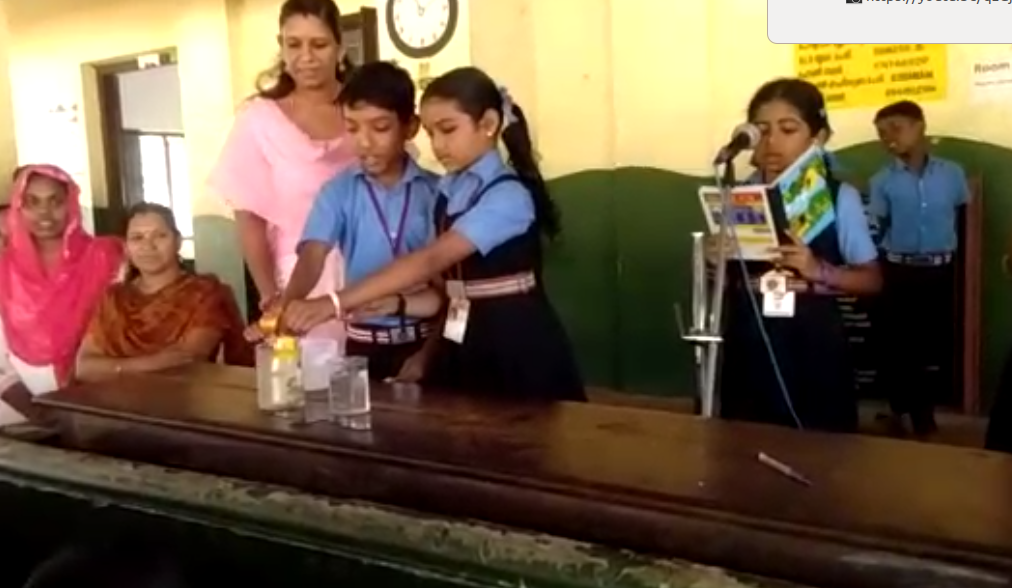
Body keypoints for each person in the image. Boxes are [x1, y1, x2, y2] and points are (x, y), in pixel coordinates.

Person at [281, 66, 585, 402]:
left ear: (488, 124)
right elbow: (450, 291)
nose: (438, 145)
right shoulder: (449, 190)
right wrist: (422, 342)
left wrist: (335, 302)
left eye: (448, 130)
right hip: (462, 337)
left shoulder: (507, 196)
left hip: (513, 340)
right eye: (431, 133)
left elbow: (431, 260)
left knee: (523, 427)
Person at [718, 78, 882, 433]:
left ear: (817, 136)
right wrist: (713, 260)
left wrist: (819, 270)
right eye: (761, 130)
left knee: (819, 447)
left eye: (788, 129)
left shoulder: (839, 197)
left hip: (813, 342)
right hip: (750, 338)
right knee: (743, 442)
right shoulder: (739, 194)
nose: (772, 141)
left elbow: (872, 280)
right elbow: (727, 280)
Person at [208, 0, 357, 364]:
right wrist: (271, 295)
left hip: (371, 272)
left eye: (319, 44)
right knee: (311, 379)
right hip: (300, 280)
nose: (306, 57)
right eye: (294, 44)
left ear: (340, 48)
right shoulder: (260, 119)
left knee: (374, 381)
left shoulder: (365, 110)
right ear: (281, 46)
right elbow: (249, 216)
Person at [273, 61, 442, 381]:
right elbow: (311, 258)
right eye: (352, 128)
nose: (363, 142)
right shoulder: (338, 191)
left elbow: (446, 291)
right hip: (363, 348)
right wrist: (289, 308)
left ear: (410, 127)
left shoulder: (437, 194)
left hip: (425, 344)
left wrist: (425, 356)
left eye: (380, 128)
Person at [869, 100, 969, 438]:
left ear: (919, 126)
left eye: (896, 128)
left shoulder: (952, 174)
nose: (889, 138)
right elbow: (880, 225)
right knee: (901, 345)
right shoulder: (882, 181)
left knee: (928, 346)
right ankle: (920, 418)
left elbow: (961, 214)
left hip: (940, 272)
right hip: (899, 271)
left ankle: (904, 408)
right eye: (882, 133)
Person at [0, 165, 123, 425]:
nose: (45, 212)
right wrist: (40, 414)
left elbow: (120, 335)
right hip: (15, 413)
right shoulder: (3, 270)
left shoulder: (106, 258)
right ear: (18, 207)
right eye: (32, 202)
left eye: (55, 201)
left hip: (99, 406)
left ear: (72, 204)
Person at [76, 203, 251, 382]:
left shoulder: (204, 293)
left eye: (160, 236)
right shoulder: (113, 298)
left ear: (178, 242)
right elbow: (84, 367)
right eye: (137, 238)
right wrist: (147, 364)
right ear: (126, 247)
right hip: (113, 399)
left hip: (185, 396)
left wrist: (113, 367)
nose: (148, 246)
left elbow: (186, 360)